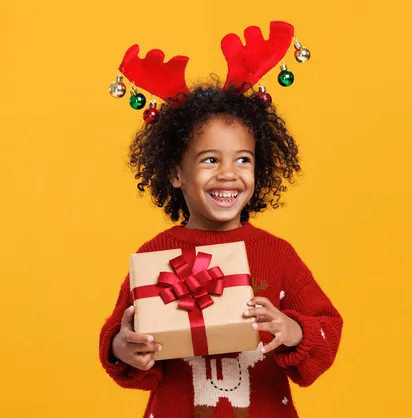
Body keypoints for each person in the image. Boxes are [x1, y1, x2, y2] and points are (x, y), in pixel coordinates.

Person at [99, 83, 343, 418]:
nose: (228, 174)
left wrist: (293, 330)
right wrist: (123, 348)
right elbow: (121, 332)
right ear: (175, 173)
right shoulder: (154, 256)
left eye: (243, 159)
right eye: (210, 160)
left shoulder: (278, 254)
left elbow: (326, 330)